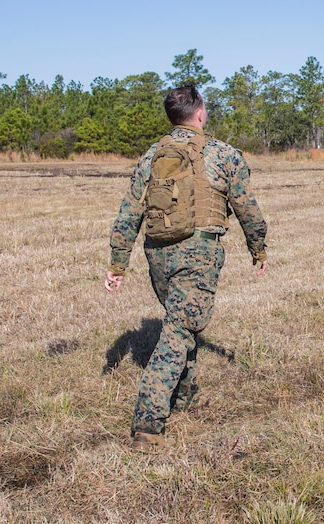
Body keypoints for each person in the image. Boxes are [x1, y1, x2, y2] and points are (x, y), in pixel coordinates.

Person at [104, 83, 268, 450]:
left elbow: (129, 211)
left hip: (157, 254)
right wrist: (259, 249)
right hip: (198, 254)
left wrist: (117, 263)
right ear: (199, 114)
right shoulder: (223, 154)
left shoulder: (152, 155)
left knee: (181, 322)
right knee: (178, 332)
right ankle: (147, 424)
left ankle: (184, 397)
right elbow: (248, 209)